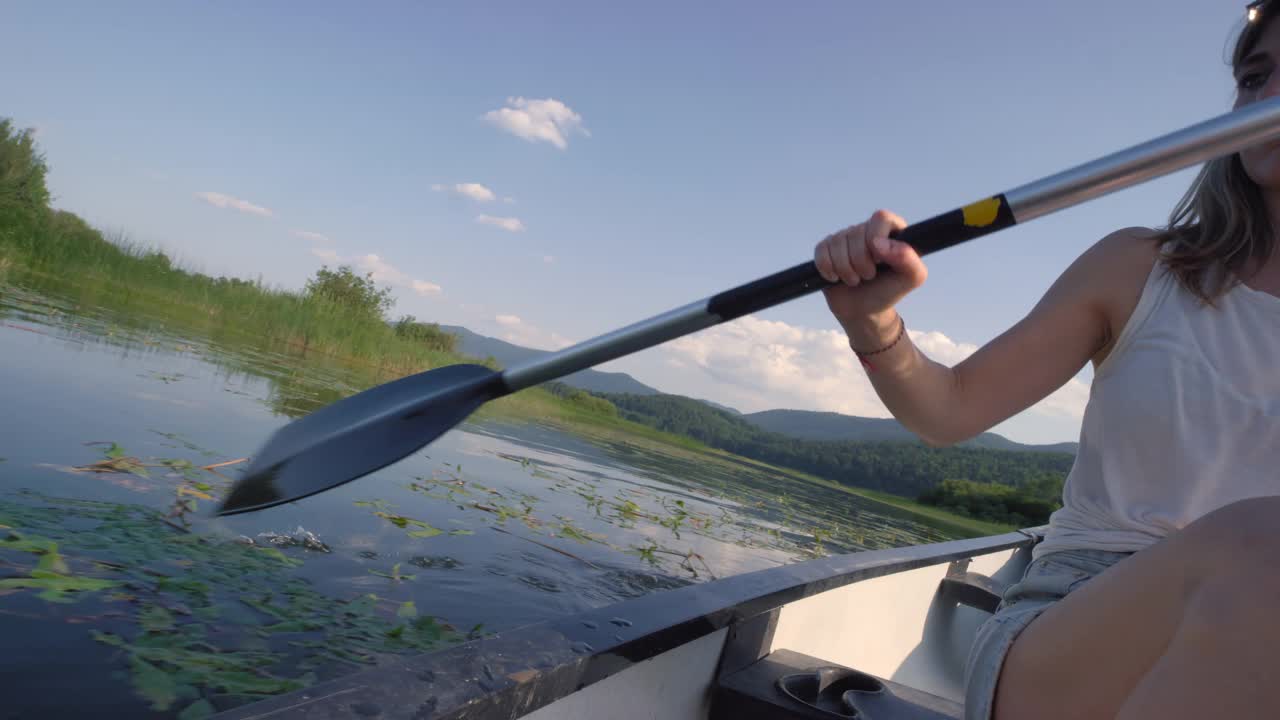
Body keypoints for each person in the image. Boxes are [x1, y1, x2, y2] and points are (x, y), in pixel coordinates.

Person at [813, 5, 1280, 719]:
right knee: (1266, 547)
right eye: (1256, 76)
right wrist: (874, 322)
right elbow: (951, 409)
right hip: (1073, 619)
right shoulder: (1141, 268)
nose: (1270, 93)